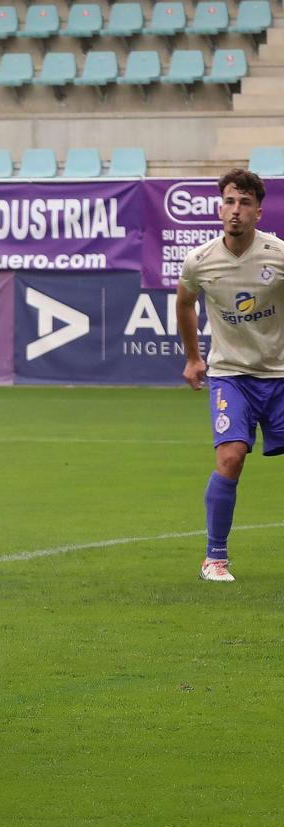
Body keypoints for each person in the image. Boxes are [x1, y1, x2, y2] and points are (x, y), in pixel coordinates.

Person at [177, 168, 284, 583]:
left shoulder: (277, 254)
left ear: (259, 211)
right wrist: (192, 357)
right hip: (231, 376)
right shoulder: (200, 261)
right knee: (231, 456)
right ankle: (214, 558)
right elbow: (185, 303)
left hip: (279, 374)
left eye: (243, 203)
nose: (234, 211)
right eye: (228, 202)